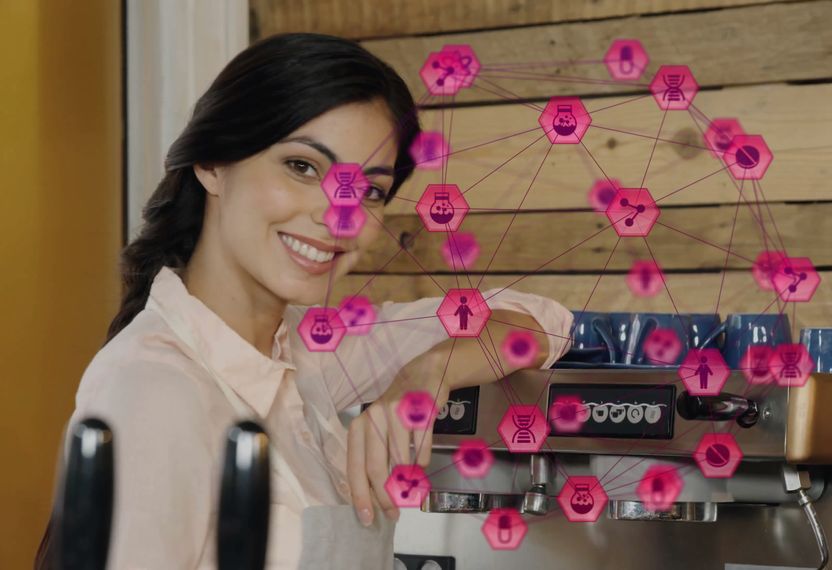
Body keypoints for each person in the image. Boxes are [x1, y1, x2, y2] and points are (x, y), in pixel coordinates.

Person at [38, 33, 572, 569]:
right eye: (302, 167)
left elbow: (541, 325)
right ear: (212, 163)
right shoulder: (156, 388)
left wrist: (425, 375)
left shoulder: (311, 354)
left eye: (369, 191)